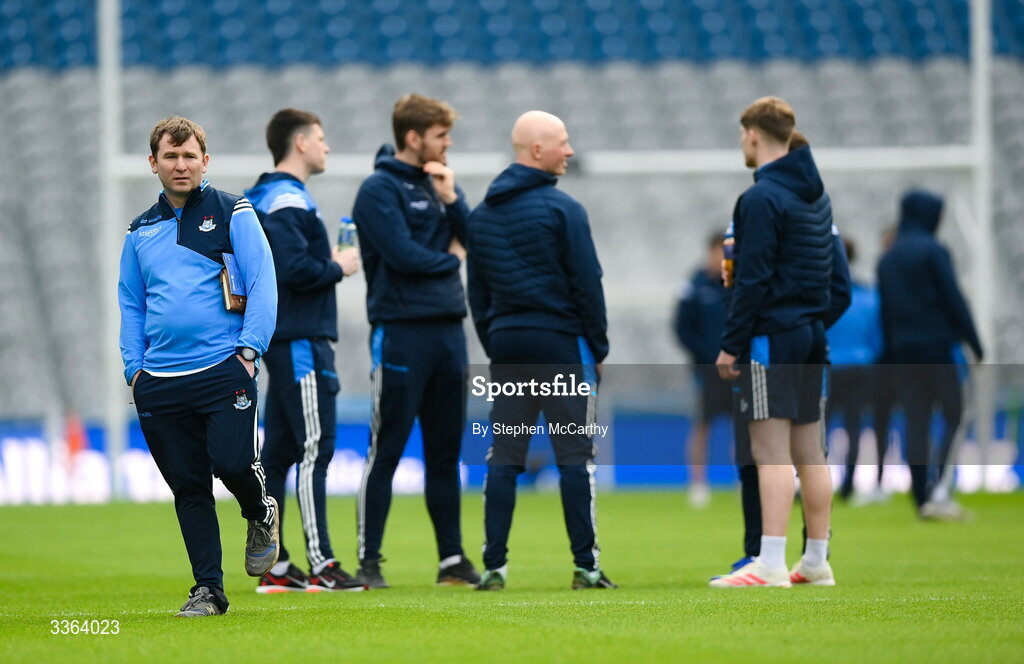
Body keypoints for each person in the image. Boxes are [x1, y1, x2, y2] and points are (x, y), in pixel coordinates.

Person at [119, 116, 279, 616]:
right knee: (189, 487)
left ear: (205, 161)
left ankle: (259, 510)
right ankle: (208, 589)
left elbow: (263, 282)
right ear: (154, 164)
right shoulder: (140, 230)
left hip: (223, 369)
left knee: (233, 464)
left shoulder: (235, 212)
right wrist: (135, 369)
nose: (181, 164)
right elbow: (132, 304)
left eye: (190, 156)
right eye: (171, 156)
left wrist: (249, 352)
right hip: (160, 382)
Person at [467, 110, 616, 591]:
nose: (569, 151)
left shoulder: (481, 215)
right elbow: (587, 283)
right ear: (536, 151)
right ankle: (585, 566)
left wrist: (498, 343)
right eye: (563, 142)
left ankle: (493, 566)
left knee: (505, 456)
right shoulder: (563, 210)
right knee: (575, 455)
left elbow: (479, 296)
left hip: (509, 344)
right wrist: (597, 346)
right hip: (558, 344)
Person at [711, 99, 850, 588]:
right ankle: (815, 561)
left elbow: (752, 280)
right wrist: (808, 322)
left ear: (752, 134)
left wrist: (732, 344)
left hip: (773, 336)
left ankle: (769, 562)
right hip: (812, 336)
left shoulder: (760, 199)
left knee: (768, 451)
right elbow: (841, 286)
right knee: (810, 453)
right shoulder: (817, 197)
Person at [351, 93, 480, 588]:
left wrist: (454, 202)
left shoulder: (441, 184)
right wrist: (451, 258)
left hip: (449, 332)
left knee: (446, 454)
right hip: (401, 334)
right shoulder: (378, 191)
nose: (448, 145)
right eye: (441, 136)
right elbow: (404, 257)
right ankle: (368, 563)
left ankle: (452, 560)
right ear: (414, 137)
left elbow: (477, 241)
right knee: (386, 450)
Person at [244, 109, 364, 593]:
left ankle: (274, 564)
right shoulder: (287, 199)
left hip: (284, 337)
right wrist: (338, 265)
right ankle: (322, 564)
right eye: (320, 137)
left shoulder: (266, 196)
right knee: (317, 446)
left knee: (280, 451)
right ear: (299, 142)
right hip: (300, 340)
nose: (326, 146)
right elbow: (293, 270)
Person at [877, 189, 983, 520]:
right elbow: (953, 298)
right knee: (956, 412)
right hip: (938, 348)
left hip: (904, 354)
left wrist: (889, 357)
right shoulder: (933, 251)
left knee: (915, 422)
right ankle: (939, 491)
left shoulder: (888, 258)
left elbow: (886, 313)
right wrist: (975, 342)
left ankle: (921, 495)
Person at [673, 233, 731, 508]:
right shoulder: (694, 284)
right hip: (706, 369)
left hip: (738, 367)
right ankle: (698, 484)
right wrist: (703, 353)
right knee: (702, 425)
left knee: (745, 427)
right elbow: (681, 327)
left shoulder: (738, 282)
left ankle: (746, 480)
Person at [825, 238, 884, 502]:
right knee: (854, 425)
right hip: (861, 367)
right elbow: (878, 338)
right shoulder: (869, 295)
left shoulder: (819, 295)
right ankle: (849, 483)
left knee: (816, 430)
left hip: (826, 367)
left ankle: (813, 482)